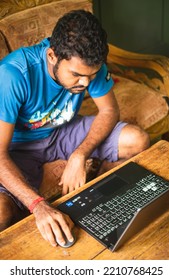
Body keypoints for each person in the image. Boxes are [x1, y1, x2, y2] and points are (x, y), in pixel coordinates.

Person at [0, 9, 150, 247]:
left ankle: (98, 212)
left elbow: (110, 111)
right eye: (77, 75)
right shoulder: (13, 74)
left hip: (62, 132)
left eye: (90, 76)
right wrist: (38, 205)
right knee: (2, 214)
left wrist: (80, 154)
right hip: (19, 147)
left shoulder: (90, 63)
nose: (85, 83)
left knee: (137, 140)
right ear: (52, 55)